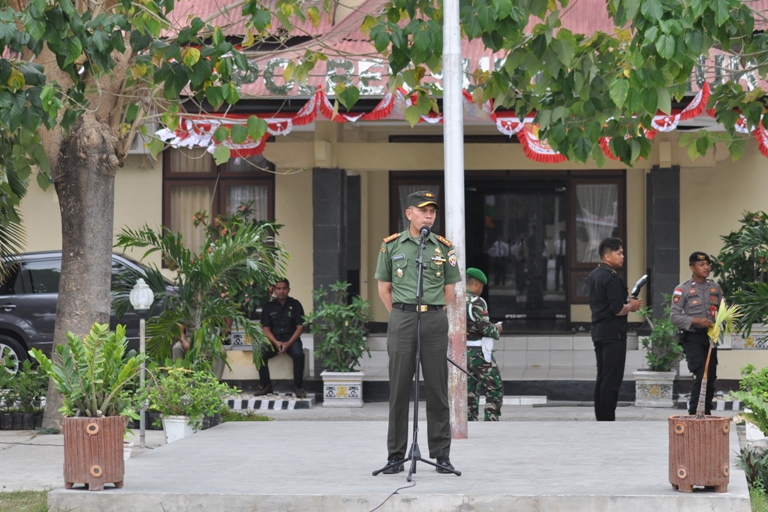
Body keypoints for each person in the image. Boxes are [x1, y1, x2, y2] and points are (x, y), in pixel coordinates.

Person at [374, 190, 461, 475]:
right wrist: (402, 313)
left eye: (432, 212)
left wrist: (429, 311)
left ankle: (441, 455)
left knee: (437, 389)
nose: (429, 216)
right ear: (409, 213)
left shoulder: (443, 248)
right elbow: (384, 288)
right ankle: (396, 455)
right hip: (402, 319)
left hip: (434, 320)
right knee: (399, 389)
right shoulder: (391, 246)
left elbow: (449, 291)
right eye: (423, 210)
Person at [587, 237, 641, 421]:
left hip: (599, 331)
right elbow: (617, 309)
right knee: (612, 379)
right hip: (613, 334)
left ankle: (601, 417)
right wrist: (632, 306)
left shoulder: (594, 274)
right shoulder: (611, 278)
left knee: (602, 377)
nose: (623, 256)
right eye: (619, 253)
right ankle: (607, 418)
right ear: (607, 256)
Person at [670, 252, 723, 415]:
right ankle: (694, 412)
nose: (706, 267)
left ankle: (706, 412)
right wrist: (696, 320)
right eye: (702, 265)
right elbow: (674, 317)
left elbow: (722, 311)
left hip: (710, 337)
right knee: (701, 373)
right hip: (692, 337)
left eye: (707, 264)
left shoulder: (715, 288)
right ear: (692, 268)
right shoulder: (683, 289)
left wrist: (722, 324)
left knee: (711, 376)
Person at [253, 279, 307, 399]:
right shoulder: (269, 306)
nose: (281, 291)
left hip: (291, 339)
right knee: (259, 353)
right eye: (278, 289)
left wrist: (288, 344)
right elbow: (266, 328)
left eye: (284, 288)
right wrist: (276, 342)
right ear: (274, 290)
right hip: (274, 340)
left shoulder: (296, 304)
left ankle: (298, 386)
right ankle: (266, 386)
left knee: (299, 354)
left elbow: (300, 327)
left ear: (289, 290)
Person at [465, 268, 503, 421]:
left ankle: (469, 420)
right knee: (494, 386)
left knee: (469, 389)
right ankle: (491, 419)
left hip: (462, 350)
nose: (482, 290)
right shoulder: (477, 302)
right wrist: (497, 328)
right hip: (479, 352)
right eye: (482, 286)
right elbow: (485, 328)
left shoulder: (455, 299)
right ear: (477, 284)